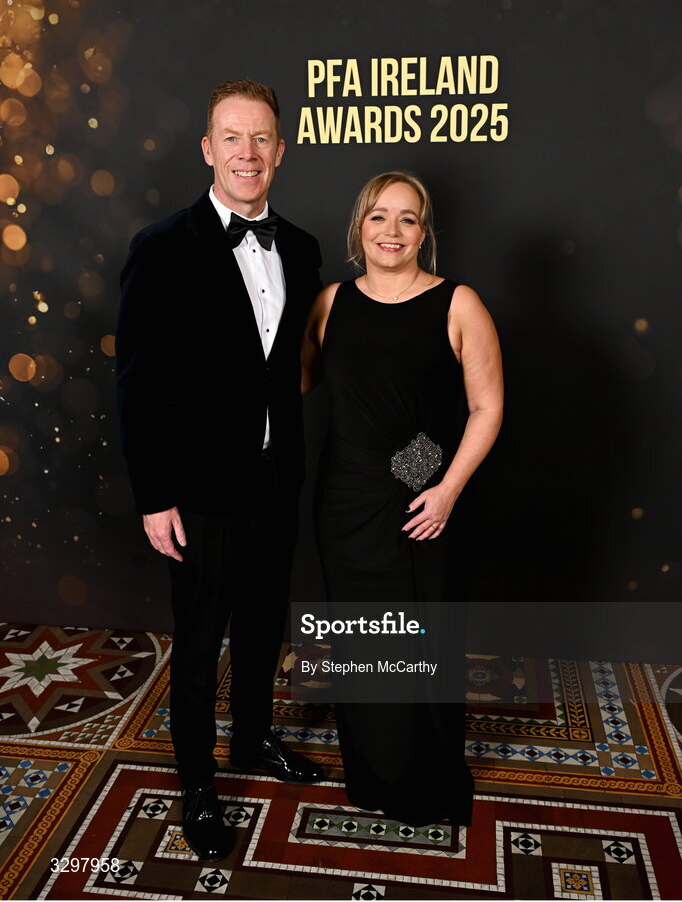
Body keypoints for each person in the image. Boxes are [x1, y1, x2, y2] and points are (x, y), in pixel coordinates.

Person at [116, 79, 324, 861]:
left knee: (265, 628)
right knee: (200, 645)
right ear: (208, 150)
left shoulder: (300, 248)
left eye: (261, 138)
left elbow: (290, 367)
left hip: (277, 481)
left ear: (280, 151)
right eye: (231, 138)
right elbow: (135, 381)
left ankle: (254, 741)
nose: (247, 152)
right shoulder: (162, 246)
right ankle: (198, 785)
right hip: (197, 490)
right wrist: (153, 495)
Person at [302, 171, 503, 826]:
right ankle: (375, 776)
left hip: (422, 494)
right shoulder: (330, 302)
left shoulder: (458, 302)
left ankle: (430, 782)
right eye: (379, 216)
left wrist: (443, 488)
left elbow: (485, 406)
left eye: (407, 218)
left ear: (426, 232)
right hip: (344, 501)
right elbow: (294, 385)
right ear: (360, 226)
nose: (392, 230)